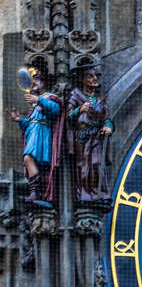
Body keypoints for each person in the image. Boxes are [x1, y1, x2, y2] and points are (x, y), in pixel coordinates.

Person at [10, 65, 64, 204]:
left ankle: (37, 191)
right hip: (33, 133)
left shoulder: (49, 98)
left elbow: (56, 110)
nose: (34, 84)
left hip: (42, 134)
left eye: (37, 81)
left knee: (29, 158)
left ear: (42, 82)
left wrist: (39, 100)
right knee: (29, 159)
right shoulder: (33, 106)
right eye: (32, 82)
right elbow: (29, 125)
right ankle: (36, 191)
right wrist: (20, 120)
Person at [67, 63, 113, 204]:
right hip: (83, 136)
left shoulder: (101, 98)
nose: (94, 78)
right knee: (84, 165)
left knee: (97, 164)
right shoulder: (76, 96)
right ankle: (85, 195)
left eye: (95, 75)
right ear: (82, 80)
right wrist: (79, 110)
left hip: (97, 136)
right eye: (90, 76)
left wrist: (108, 126)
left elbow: (106, 117)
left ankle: (100, 194)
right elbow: (68, 117)